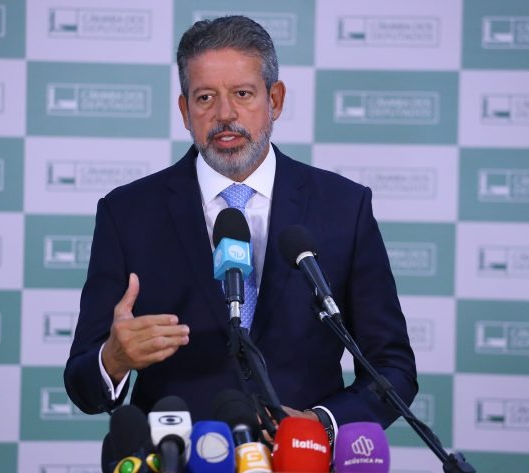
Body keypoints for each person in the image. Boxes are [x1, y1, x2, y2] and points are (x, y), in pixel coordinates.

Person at [64, 15, 417, 442]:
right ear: (185, 111)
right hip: (177, 460)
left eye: (243, 94)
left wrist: (321, 423)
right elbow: (82, 384)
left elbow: (393, 368)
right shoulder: (128, 213)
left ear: (275, 99)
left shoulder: (343, 207)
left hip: (299, 460)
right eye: (205, 97)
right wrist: (113, 360)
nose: (225, 114)